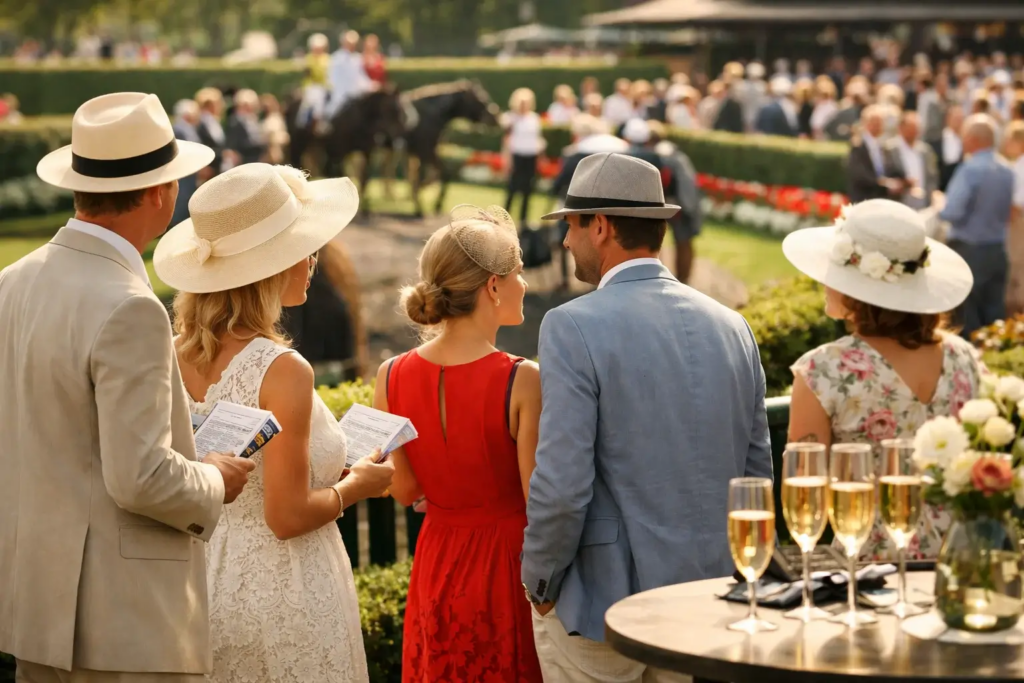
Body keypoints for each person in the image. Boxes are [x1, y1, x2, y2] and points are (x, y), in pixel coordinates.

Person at [0, 92, 256, 682]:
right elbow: (139, 476)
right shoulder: (130, 306)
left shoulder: (15, 280)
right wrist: (215, 477)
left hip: (36, 607)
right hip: (123, 620)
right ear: (161, 193)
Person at [523, 153, 773, 682]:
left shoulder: (571, 325)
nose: (565, 240)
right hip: (711, 602)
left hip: (606, 608)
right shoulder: (733, 326)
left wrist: (540, 584)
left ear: (601, 225)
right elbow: (756, 482)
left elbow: (563, 485)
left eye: (570, 224)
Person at [153, 163, 394, 683]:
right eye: (300, 250)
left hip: (198, 585)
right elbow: (285, 517)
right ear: (268, 269)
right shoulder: (283, 370)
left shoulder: (169, 354)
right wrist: (359, 484)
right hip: (289, 593)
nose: (312, 261)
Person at [373, 205, 543, 682]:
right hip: (504, 568)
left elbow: (404, 490)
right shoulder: (523, 379)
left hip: (436, 562)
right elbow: (539, 500)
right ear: (493, 286)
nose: (524, 285)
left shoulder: (390, 375)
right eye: (519, 273)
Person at [784, 199, 981, 561]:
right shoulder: (966, 359)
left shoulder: (822, 371)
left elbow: (805, 490)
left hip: (865, 571)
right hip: (961, 562)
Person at [937, 113, 1016, 337]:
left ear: (972, 139)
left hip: (969, 251)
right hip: (998, 248)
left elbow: (952, 212)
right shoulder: (1007, 170)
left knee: (966, 320)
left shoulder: (970, 169)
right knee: (994, 320)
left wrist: (939, 205)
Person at [502, 88, 545, 228]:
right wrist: (507, 159)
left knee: (528, 188)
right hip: (517, 155)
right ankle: (504, 217)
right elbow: (506, 140)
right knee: (512, 188)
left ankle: (523, 220)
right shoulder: (510, 118)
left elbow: (537, 139)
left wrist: (540, 157)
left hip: (530, 156)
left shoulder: (534, 118)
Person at [847, 105, 906, 203]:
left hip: (881, 197)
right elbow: (860, 174)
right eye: (874, 122)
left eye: (880, 123)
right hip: (865, 198)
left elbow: (890, 169)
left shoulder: (883, 146)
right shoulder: (858, 146)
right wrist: (883, 183)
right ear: (866, 123)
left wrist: (900, 181)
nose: (878, 126)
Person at [883, 111, 939, 211]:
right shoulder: (889, 149)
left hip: (923, 200)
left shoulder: (925, 150)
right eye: (911, 128)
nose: (914, 132)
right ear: (901, 128)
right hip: (899, 201)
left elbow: (932, 176)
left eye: (916, 128)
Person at [1002, 121, 1024, 314]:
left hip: (1019, 224)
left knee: (1017, 270)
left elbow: (1016, 205)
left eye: (1010, 140)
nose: (1006, 144)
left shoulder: (1020, 166)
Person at [172, 98, 202, 226]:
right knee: (182, 200)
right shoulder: (179, 128)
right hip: (184, 172)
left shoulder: (186, 128)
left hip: (191, 172)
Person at [225, 88, 267, 165]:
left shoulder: (252, 119)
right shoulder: (235, 120)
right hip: (244, 160)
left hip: (255, 158)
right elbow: (232, 142)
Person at [298, 33, 331, 128]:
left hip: (326, 87)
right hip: (313, 87)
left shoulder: (328, 59)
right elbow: (309, 75)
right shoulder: (308, 59)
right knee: (314, 105)